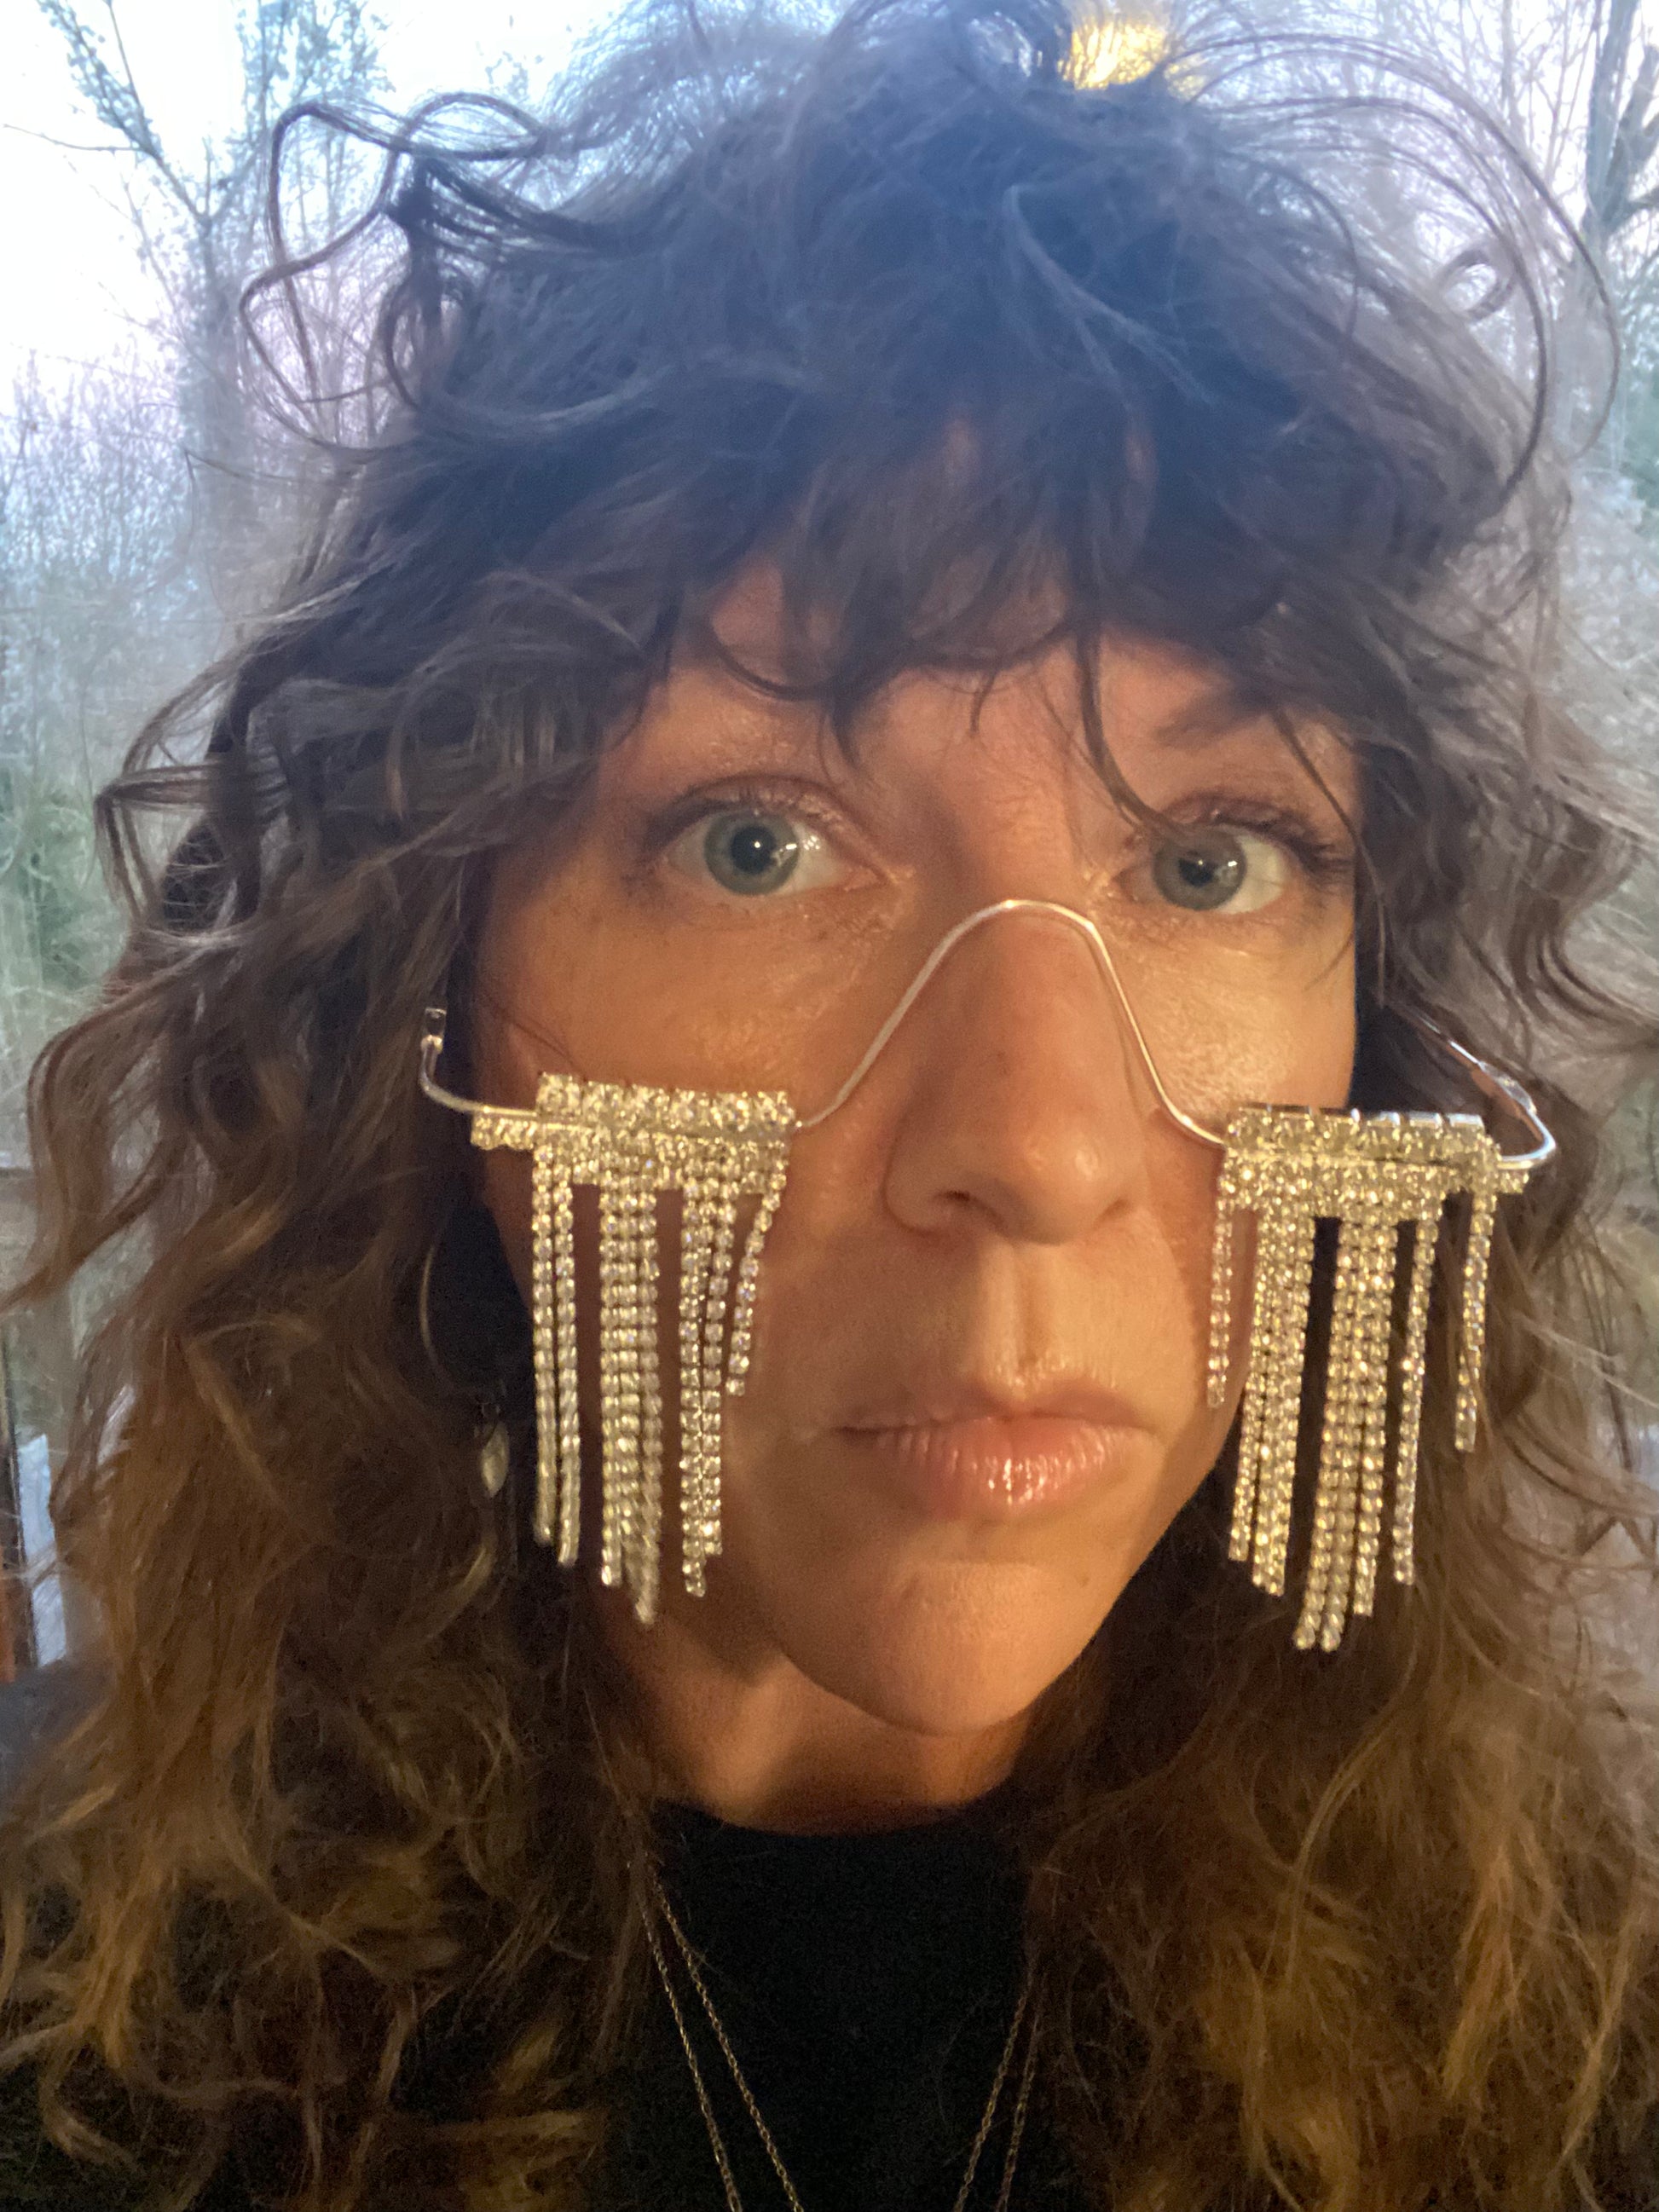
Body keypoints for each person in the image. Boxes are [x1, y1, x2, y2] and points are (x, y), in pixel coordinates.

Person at [0, 0, 1654, 2204]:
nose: (1039, 1148)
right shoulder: (80, 2047)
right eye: (756, 841)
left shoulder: (1575, 2045)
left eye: (1209, 861)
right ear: (424, 989)